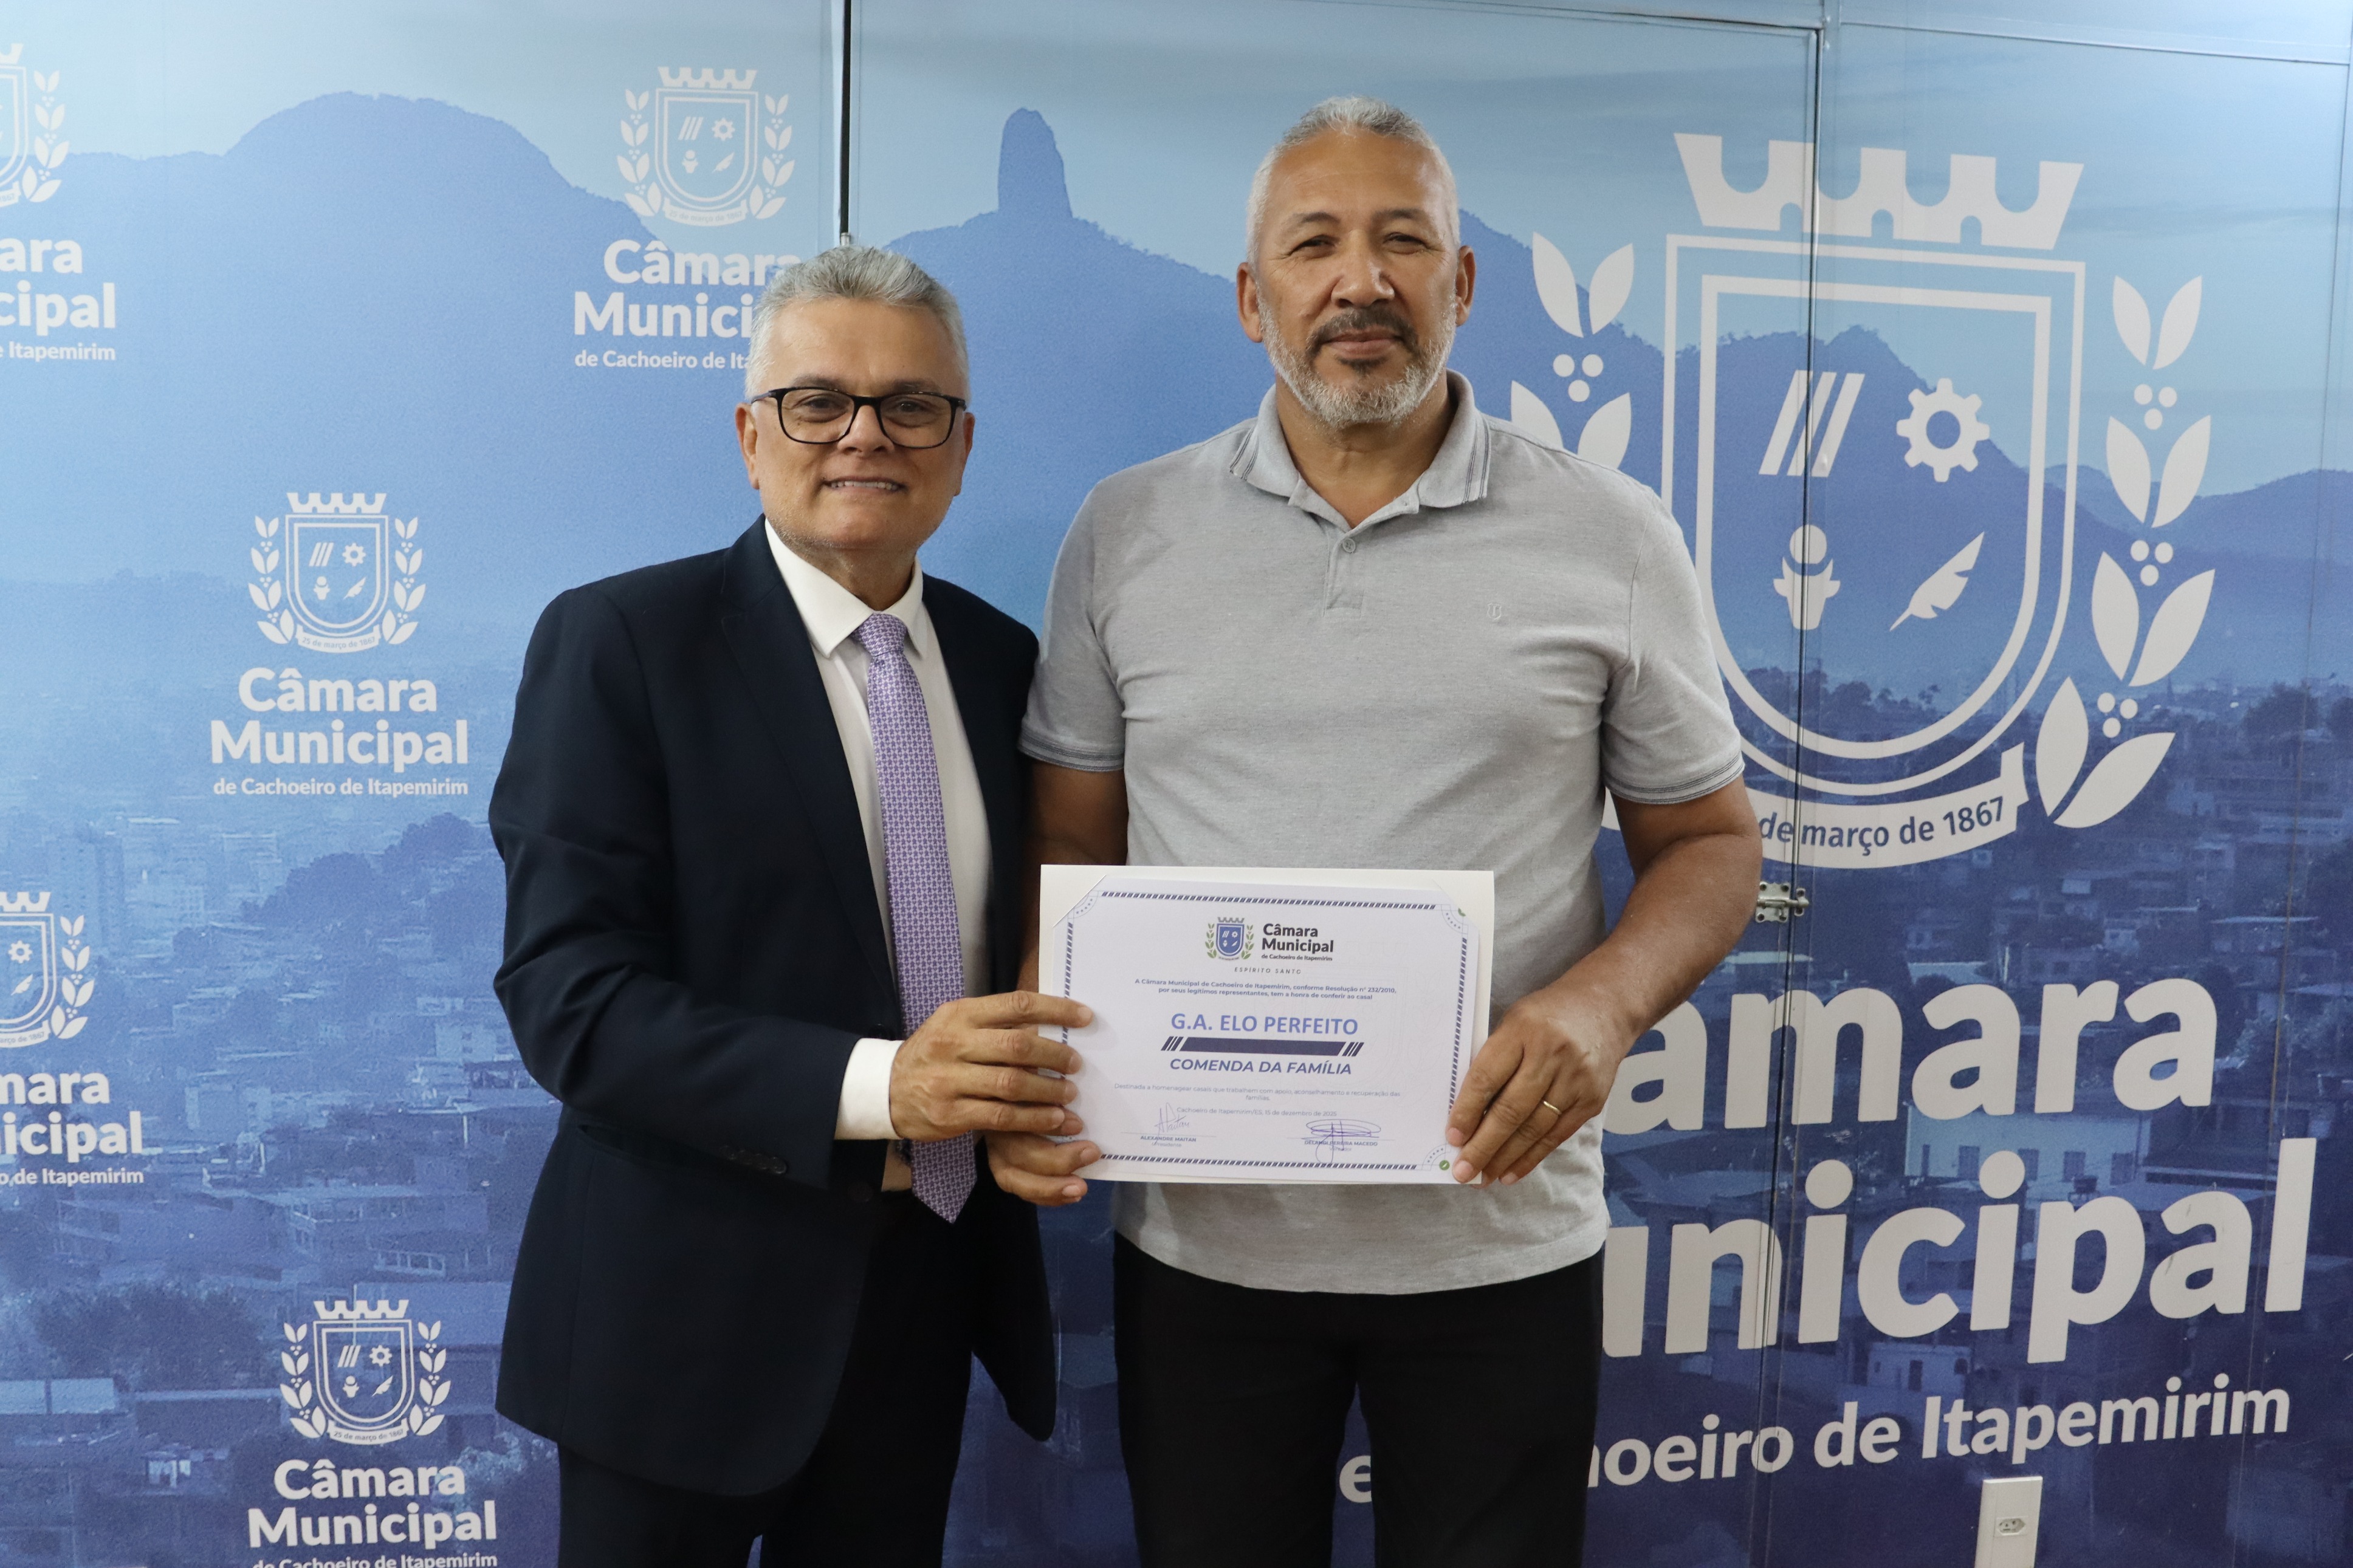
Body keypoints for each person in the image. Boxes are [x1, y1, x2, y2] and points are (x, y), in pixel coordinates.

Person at [990, 98, 1764, 1566]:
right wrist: (1046, 1050)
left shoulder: (1612, 534)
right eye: (1316, 245)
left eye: (1403, 241)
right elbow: (1074, 848)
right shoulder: (1124, 530)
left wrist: (1601, 1007)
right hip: (1205, 1247)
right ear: (1252, 299)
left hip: (1499, 1239)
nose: (1362, 281)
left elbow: (1712, 844)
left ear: (1460, 284)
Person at [490, 245, 1090, 1567]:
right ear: (751, 437)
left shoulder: (1006, 663)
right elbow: (571, 1002)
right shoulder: (622, 643)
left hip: (925, 1305)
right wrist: (887, 1086)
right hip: (677, 1326)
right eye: (818, 402)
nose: (865, 435)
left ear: (962, 446)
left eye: (910, 405)